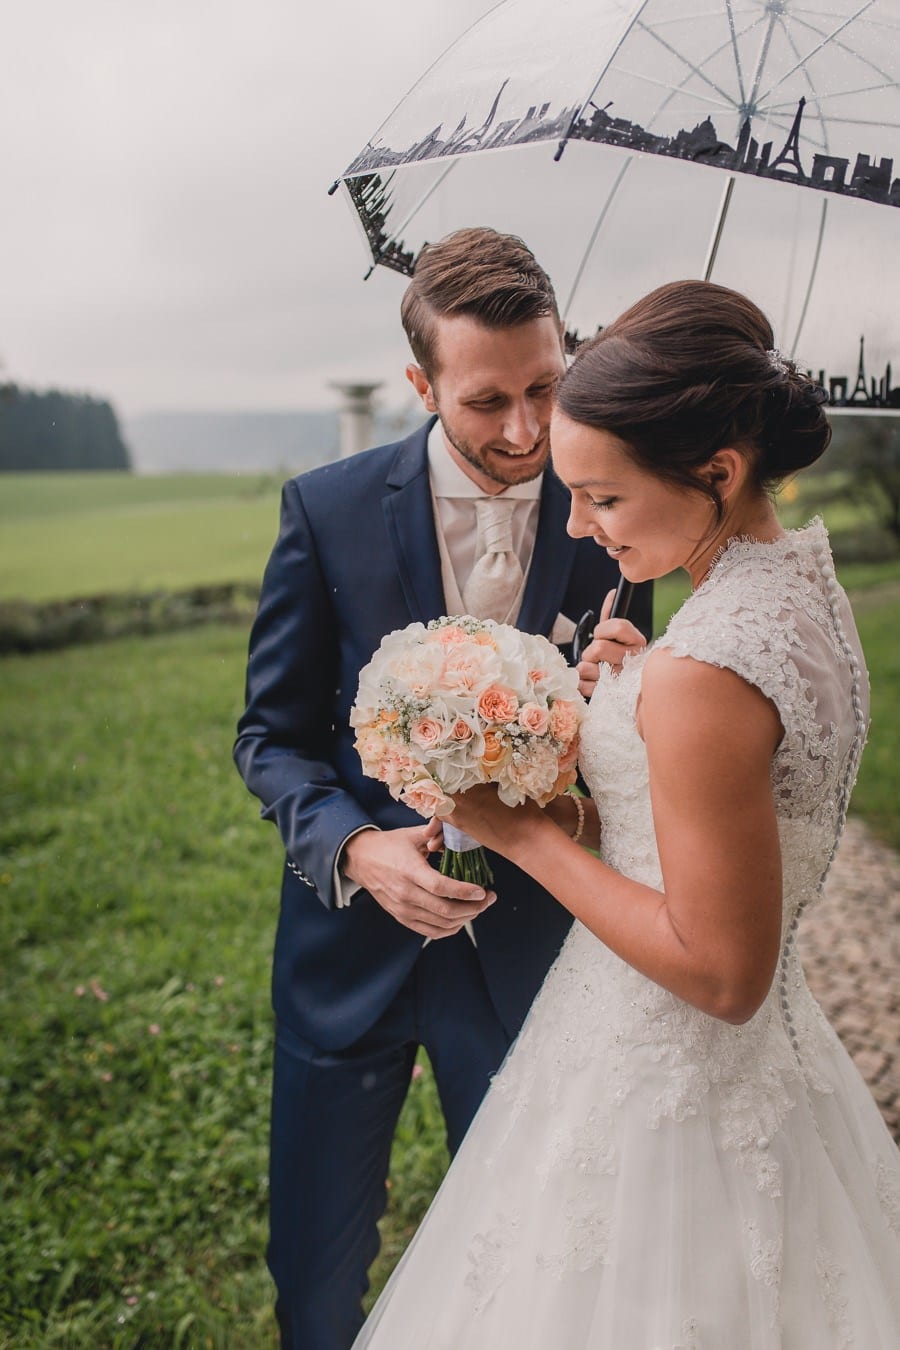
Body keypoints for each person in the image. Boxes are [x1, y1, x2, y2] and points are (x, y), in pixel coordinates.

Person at [352, 279, 900, 1348]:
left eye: (603, 498)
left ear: (719, 471)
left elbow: (721, 974)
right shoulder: (800, 593)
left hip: (669, 1077)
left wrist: (519, 833)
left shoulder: (706, 671)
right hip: (773, 1073)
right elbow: (746, 788)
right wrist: (635, 708)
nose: (578, 525)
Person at [233, 226, 652, 1350]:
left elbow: (618, 767)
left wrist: (619, 698)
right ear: (421, 385)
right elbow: (269, 737)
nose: (525, 431)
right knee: (316, 1277)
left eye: (545, 388)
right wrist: (355, 849)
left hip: (529, 960)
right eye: (485, 402)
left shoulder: (614, 515)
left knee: (529, 1255)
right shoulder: (324, 511)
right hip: (345, 962)